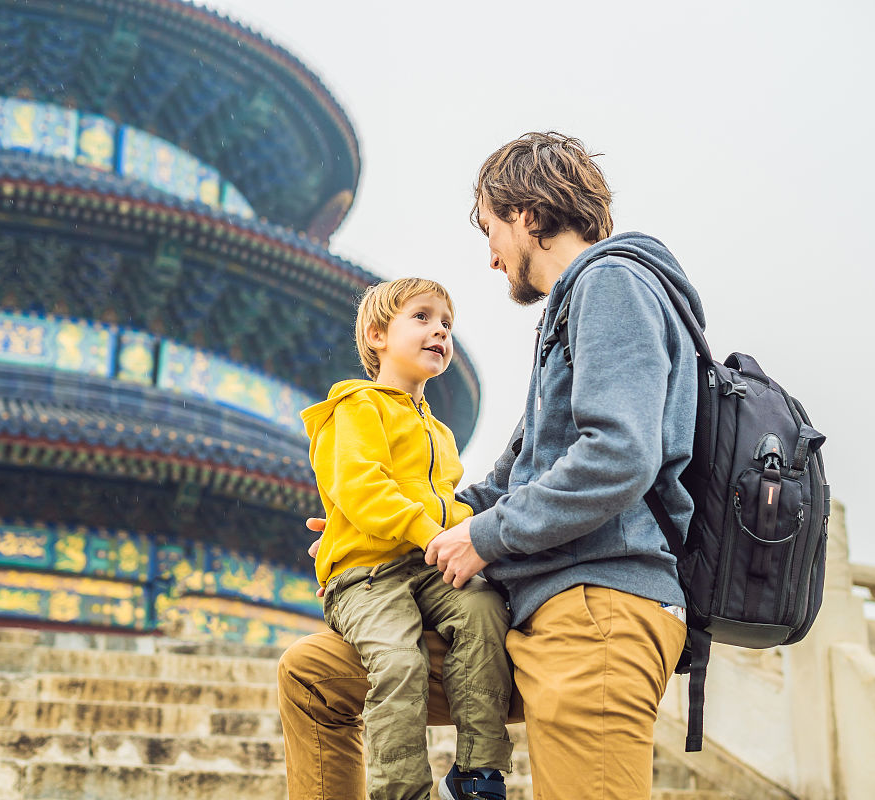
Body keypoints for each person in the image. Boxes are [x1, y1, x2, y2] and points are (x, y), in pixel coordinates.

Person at [279, 132, 702, 799]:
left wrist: (482, 536)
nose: (491, 253)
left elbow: (619, 455)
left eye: (489, 228)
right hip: (531, 605)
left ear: (527, 215)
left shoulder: (611, 283)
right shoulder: (569, 313)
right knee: (313, 676)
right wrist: (392, 520)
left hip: (594, 604)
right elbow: (508, 481)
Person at [299, 277, 513, 800]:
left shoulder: (441, 433)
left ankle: (478, 772)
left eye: (447, 324)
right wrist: (431, 533)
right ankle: (401, 791)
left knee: (484, 609)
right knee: (399, 662)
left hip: (426, 568)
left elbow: (450, 504)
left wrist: (468, 533)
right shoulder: (356, 408)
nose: (440, 330)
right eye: (422, 316)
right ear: (377, 335)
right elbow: (362, 489)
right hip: (366, 578)